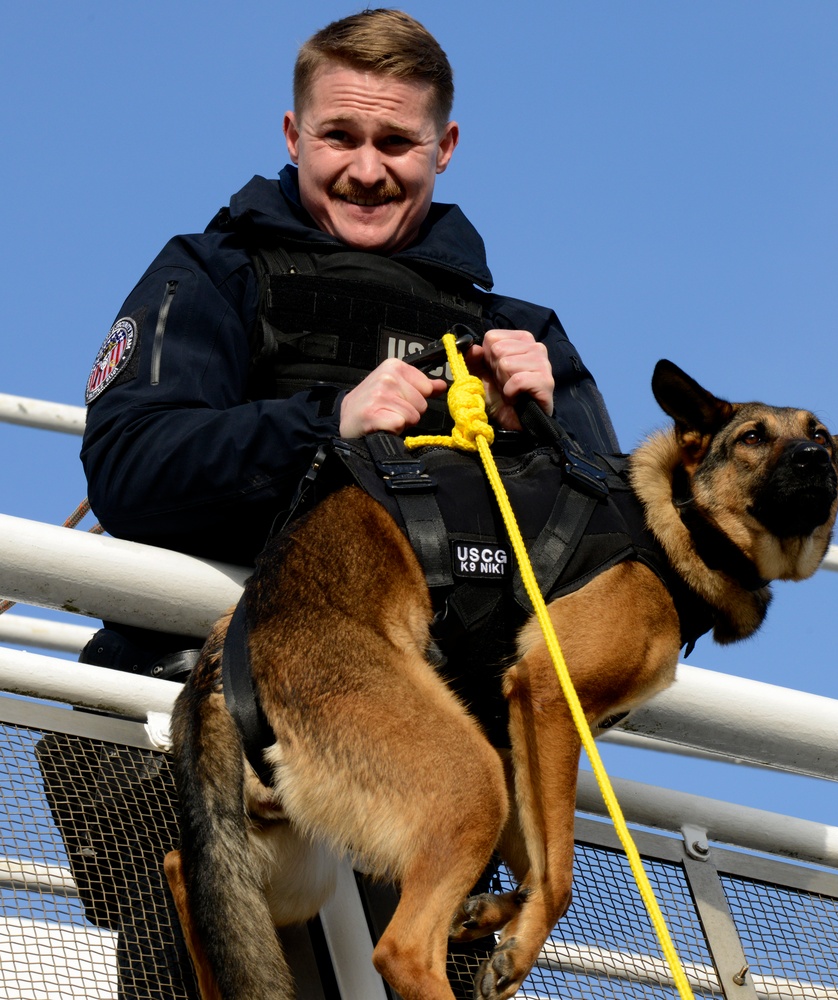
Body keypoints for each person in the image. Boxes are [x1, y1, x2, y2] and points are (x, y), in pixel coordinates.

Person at [59, 9, 620, 998]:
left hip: (418, 761)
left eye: (396, 142)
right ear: (291, 135)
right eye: (339, 137)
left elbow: (618, 585)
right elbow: (129, 463)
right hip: (190, 716)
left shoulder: (524, 339)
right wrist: (326, 425)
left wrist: (551, 441)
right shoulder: (211, 274)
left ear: (444, 148)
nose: (367, 169)